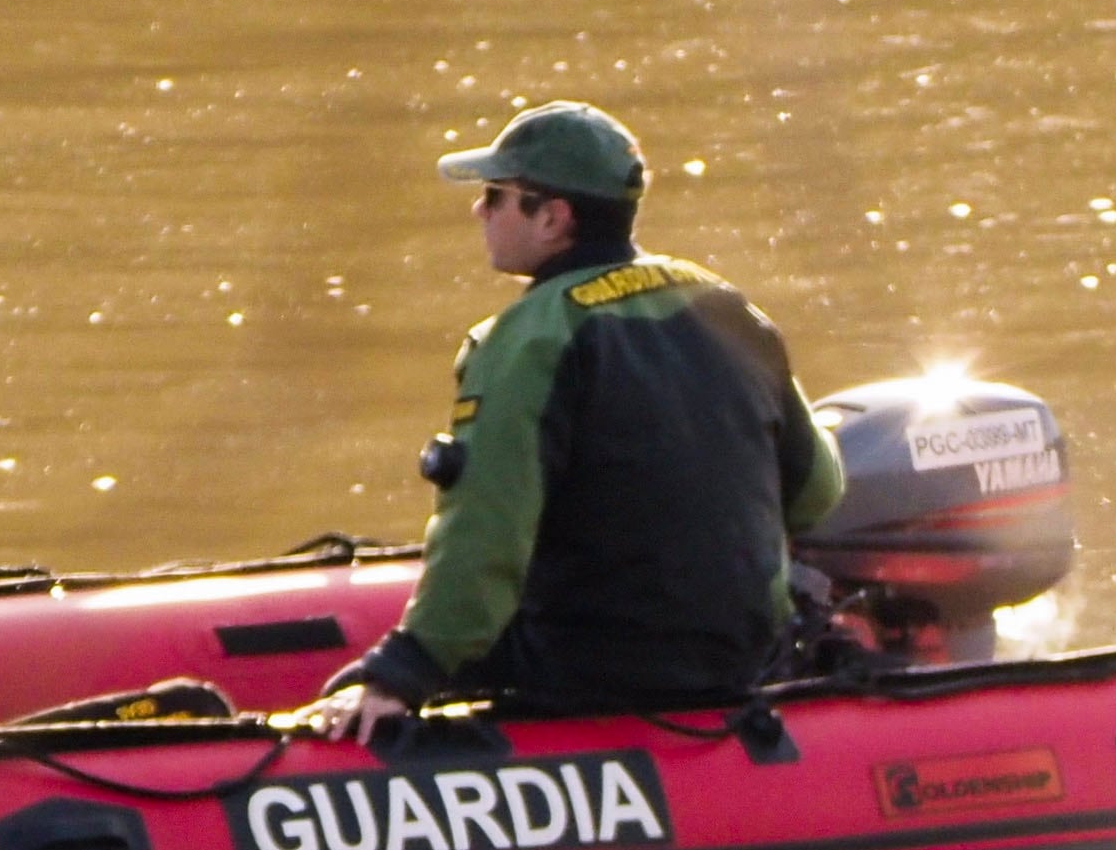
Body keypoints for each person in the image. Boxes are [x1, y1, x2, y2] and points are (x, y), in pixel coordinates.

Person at [304, 101, 844, 741]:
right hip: (742, 653)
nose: (480, 210)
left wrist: (402, 673)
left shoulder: (527, 340)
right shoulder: (722, 304)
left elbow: (487, 529)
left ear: (553, 217)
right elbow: (818, 491)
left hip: (597, 665)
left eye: (496, 195)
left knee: (361, 686)